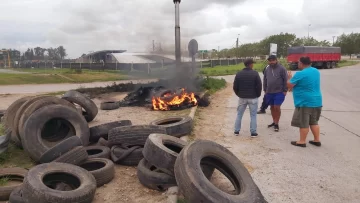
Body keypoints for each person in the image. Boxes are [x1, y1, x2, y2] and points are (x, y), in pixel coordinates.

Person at [287, 56, 322, 147]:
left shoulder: (300, 73)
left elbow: (290, 85)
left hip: (305, 101)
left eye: (298, 62)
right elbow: (305, 83)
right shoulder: (316, 71)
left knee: (303, 122)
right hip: (317, 101)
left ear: (301, 63)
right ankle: (317, 140)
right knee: (314, 122)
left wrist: (289, 78)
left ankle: (302, 141)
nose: (298, 64)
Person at [233, 58, 262, 138]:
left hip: (242, 97)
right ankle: (253, 132)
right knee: (253, 115)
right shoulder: (255, 73)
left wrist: (239, 94)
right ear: (250, 64)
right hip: (253, 97)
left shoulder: (239, 74)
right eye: (252, 63)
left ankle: (236, 131)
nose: (253, 65)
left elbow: (235, 86)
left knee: (239, 114)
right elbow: (259, 86)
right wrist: (257, 95)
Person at [263, 55, 288, 132]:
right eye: (270, 60)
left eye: (273, 60)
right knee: (272, 107)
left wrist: (285, 90)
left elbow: (285, 79)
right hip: (269, 92)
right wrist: (265, 89)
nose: (272, 62)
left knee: (277, 107)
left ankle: (277, 123)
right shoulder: (267, 69)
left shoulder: (282, 68)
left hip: (279, 92)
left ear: (276, 60)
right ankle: (274, 121)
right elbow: (265, 79)